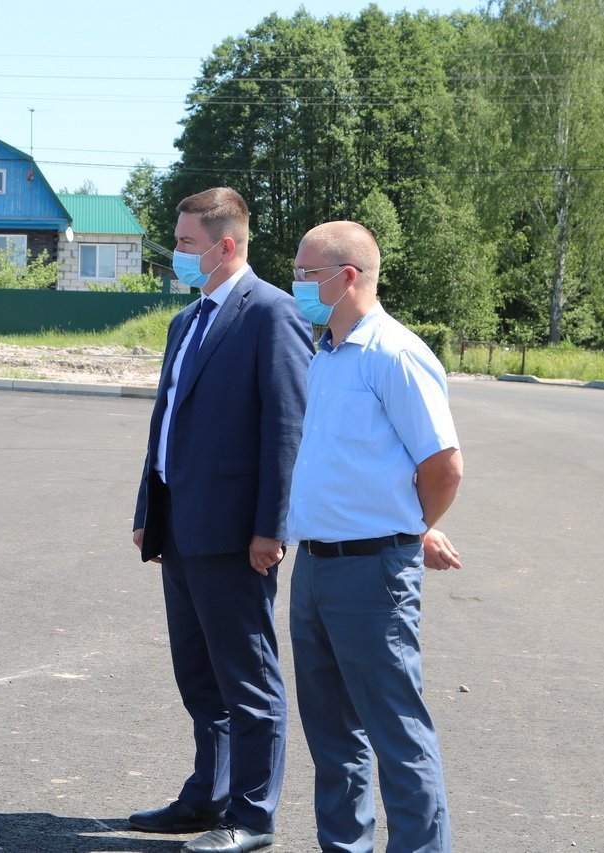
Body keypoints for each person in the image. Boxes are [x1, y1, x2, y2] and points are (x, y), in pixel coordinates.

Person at [129, 188, 313, 853]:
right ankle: (207, 794)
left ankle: (253, 814)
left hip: (237, 534)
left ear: (224, 245)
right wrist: (150, 509)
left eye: (183, 243)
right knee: (198, 673)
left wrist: (273, 528)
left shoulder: (272, 314)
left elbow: (286, 430)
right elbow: (166, 424)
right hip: (180, 526)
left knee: (248, 678)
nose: (175, 254)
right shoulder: (187, 320)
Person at [286, 221, 463, 852]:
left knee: (396, 732)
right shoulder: (326, 353)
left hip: (371, 572)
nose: (298, 285)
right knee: (332, 737)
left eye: (308, 274)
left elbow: (442, 466)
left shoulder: (395, 354)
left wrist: (408, 531)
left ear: (348, 277)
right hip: (315, 567)